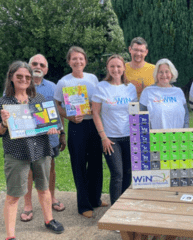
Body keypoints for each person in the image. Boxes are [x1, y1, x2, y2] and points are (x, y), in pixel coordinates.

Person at [1, 61, 64, 240]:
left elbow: (52, 123)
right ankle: (10, 236)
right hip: (17, 153)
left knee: (44, 189)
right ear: (11, 78)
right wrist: (4, 123)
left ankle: (49, 220)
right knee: (13, 195)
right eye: (19, 76)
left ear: (31, 80)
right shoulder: (4, 103)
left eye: (27, 77)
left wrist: (54, 128)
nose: (23, 79)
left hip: (41, 150)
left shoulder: (39, 100)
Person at [54, 46, 107, 218]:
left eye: (81, 58)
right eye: (74, 59)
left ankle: (96, 199)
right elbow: (57, 105)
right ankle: (83, 205)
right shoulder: (63, 82)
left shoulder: (93, 78)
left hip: (94, 125)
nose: (78, 61)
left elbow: (99, 99)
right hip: (77, 127)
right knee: (79, 165)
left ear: (85, 60)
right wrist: (68, 117)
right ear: (69, 61)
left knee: (96, 164)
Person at [19, 54, 67, 222]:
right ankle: (27, 205)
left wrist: (62, 133)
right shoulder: (19, 85)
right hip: (27, 138)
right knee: (28, 171)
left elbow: (58, 112)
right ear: (28, 66)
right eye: (34, 63)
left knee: (50, 170)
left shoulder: (54, 87)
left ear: (46, 69)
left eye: (42, 64)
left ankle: (52, 198)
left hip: (50, 139)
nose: (38, 66)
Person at [92, 54, 137, 205]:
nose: (115, 69)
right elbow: (95, 113)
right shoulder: (101, 87)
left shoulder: (130, 88)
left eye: (118, 66)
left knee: (128, 173)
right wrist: (103, 137)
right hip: (111, 139)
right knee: (117, 174)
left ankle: (124, 204)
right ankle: (115, 211)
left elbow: (134, 113)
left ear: (124, 68)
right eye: (112, 66)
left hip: (130, 137)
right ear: (107, 68)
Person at [140, 58, 189, 129]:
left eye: (167, 72)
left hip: (178, 137)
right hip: (156, 138)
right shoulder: (148, 91)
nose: (164, 75)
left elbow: (186, 115)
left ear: (171, 74)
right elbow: (141, 117)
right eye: (160, 72)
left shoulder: (178, 92)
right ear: (156, 74)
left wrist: (186, 131)